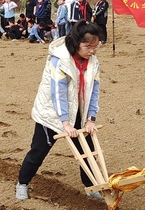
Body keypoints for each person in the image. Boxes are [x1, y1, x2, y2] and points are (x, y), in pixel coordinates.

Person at [16, 20, 102, 200]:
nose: (92, 50)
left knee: (87, 151)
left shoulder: (93, 62)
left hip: (79, 110)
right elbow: (58, 93)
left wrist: (90, 119)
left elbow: (94, 90)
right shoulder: (60, 59)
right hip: (52, 113)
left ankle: (92, 187)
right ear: (77, 43)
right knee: (39, 150)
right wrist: (65, 123)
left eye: (95, 46)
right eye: (88, 46)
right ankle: (22, 183)